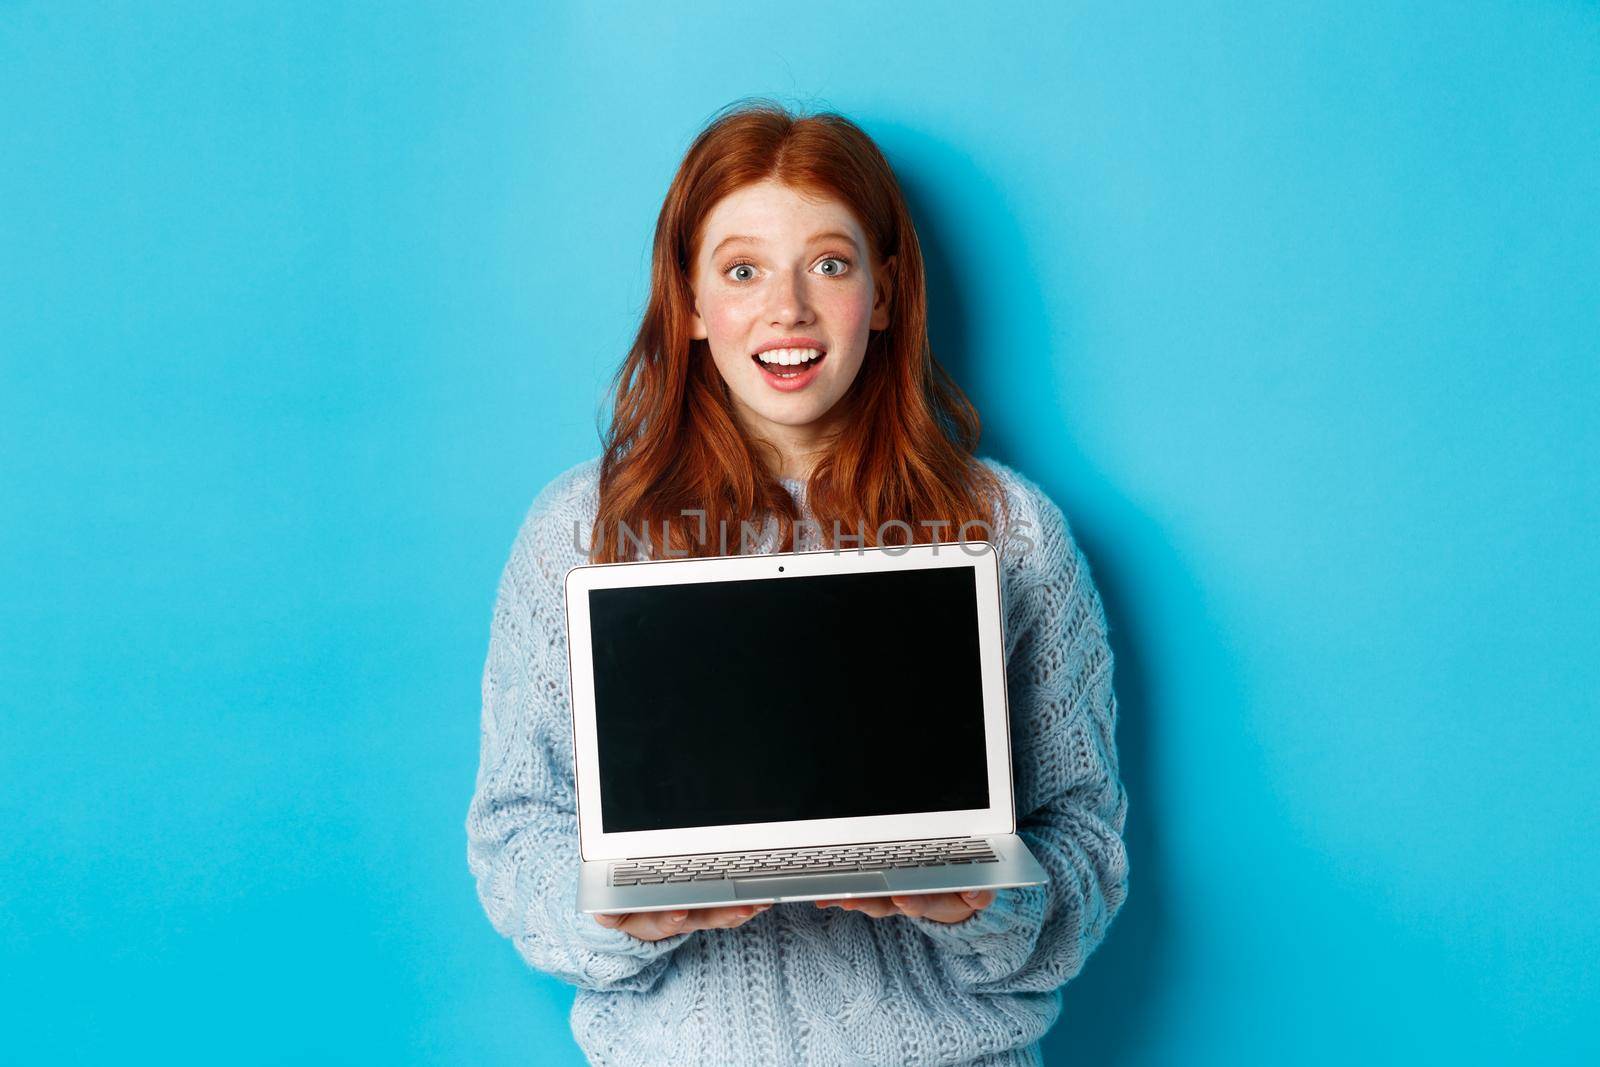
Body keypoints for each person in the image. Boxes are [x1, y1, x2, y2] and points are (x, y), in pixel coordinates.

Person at [466, 99, 1129, 1066]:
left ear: (887, 293)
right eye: (742, 270)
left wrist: (986, 901)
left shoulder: (1009, 529)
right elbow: (513, 832)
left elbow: (1087, 845)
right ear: (689, 301)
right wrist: (626, 911)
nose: (788, 309)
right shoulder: (581, 530)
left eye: (829, 263)